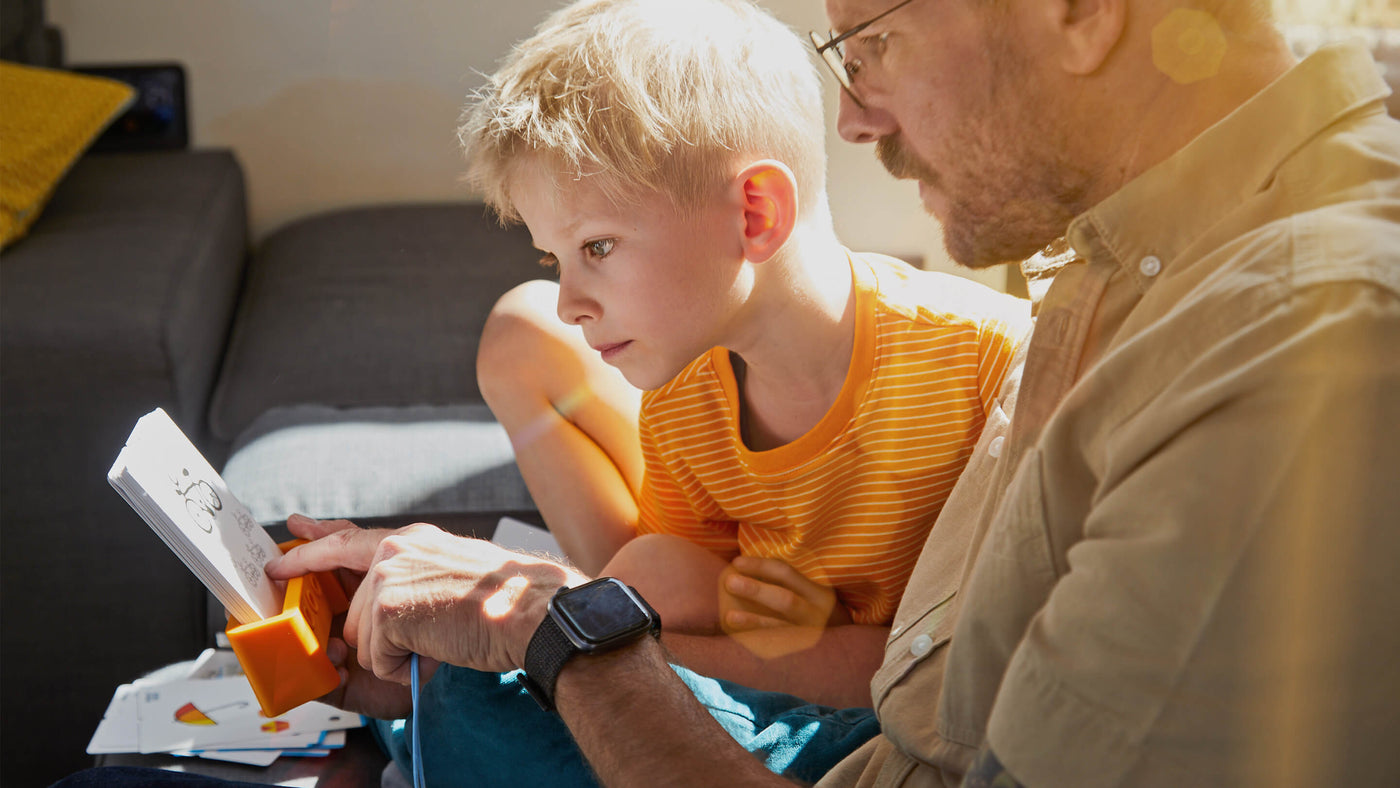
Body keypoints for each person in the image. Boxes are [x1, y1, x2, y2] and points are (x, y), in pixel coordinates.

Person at [53, 0, 1400, 786]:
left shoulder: (1295, 350)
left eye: (869, 39)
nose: (858, 119)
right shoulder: (1116, 267)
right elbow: (736, 617)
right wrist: (513, 618)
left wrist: (556, 636)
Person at [465, 0, 1028, 703]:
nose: (571, 302)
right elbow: (696, 600)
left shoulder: (991, 361)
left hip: (923, 687)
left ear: (756, 214)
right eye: (557, 259)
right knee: (655, 572)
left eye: (598, 247)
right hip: (808, 660)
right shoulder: (681, 402)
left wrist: (581, 654)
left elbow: (977, 667)